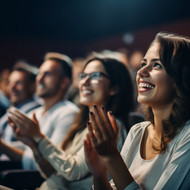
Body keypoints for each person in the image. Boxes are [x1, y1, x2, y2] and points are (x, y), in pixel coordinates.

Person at [8, 57, 134, 189]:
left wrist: (39, 137)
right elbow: (54, 174)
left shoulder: (109, 127)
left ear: (113, 87)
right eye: (83, 75)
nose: (85, 82)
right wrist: (34, 146)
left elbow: (73, 172)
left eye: (95, 75)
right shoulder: (83, 125)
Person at [84, 32, 190, 190]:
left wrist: (112, 157)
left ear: (181, 78)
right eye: (143, 64)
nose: (141, 73)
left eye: (156, 65)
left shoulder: (187, 136)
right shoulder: (137, 131)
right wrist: (99, 174)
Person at [0, 52, 78, 171]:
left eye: (47, 74)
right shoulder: (34, 113)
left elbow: (54, 161)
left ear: (64, 82)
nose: (39, 79)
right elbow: (24, 149)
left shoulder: (69, 113)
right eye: (40, 73)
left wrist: (2, 146)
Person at [0, 65, 41, 145]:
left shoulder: (35, 113)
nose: (12, 87)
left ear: (32, 86)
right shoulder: (14, 109)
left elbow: (26, 151)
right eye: (10, 82)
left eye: (18, 83)